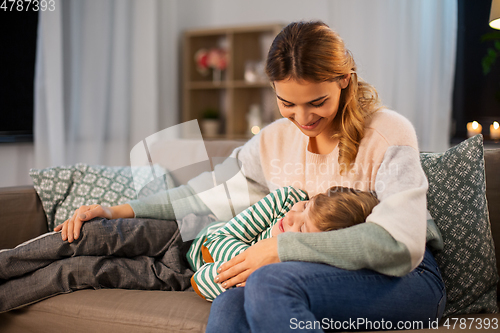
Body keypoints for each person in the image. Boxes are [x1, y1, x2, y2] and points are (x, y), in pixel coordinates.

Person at [46, 20, 445, 332]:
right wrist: (117, 210)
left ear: (345, 80)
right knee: (229, 302)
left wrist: (280, 250)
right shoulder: (271, 142)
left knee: (270, 282)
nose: (303, 119)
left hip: (408, 279)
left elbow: (397, 243)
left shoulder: (389, 132)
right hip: (325, 273)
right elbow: (204, 196)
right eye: (287, 103)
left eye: (318, 102)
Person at [188, 185, 379, 301]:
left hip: (183, 260)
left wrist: (260, 270)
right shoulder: (287, 200)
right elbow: (212, 243)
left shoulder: (288, 270)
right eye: (306, 206)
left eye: (302, 228)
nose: (290, 217)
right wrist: (252, 261)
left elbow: (200, 278)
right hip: (197, 227)